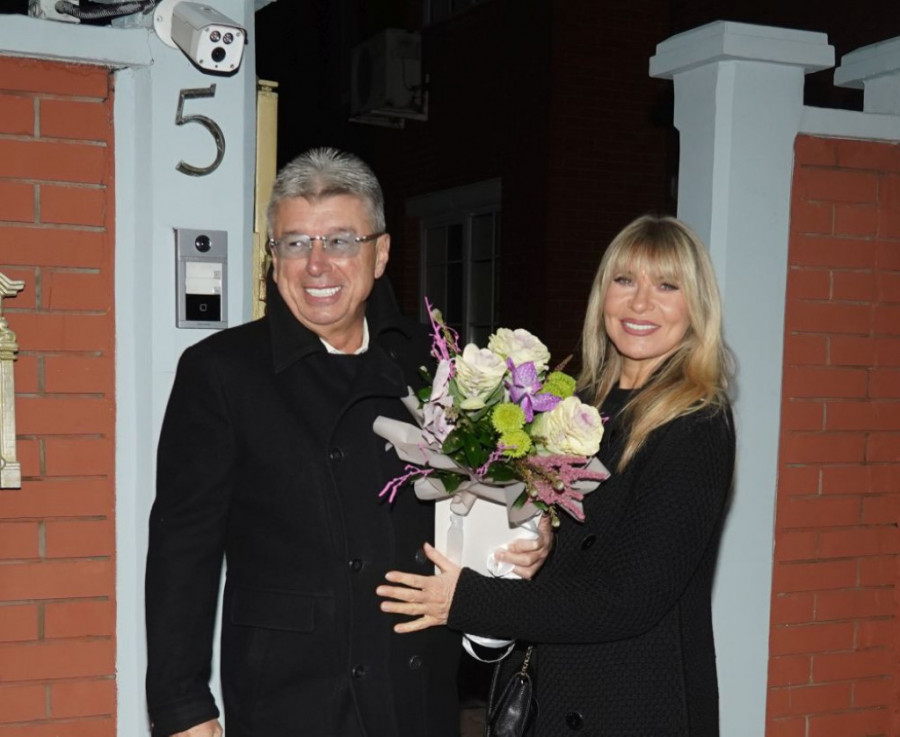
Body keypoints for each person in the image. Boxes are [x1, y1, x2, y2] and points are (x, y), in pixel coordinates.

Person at [144, 147, 551, 737]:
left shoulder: (433, 362)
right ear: (273, 259)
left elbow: (477, 500)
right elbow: (182, 549)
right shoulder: (222, 371)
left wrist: (519, 540)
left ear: (379, 254)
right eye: (295, 243)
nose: (316, 265)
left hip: (414, 680)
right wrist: (183, 706)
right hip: (290, 691)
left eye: (339, 241)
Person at [377, 214, 736, 736]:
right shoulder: (579, 405)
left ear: (696, 306)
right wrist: (542, 535)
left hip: (632, 705)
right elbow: (583, 536)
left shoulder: (695, 424)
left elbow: (630, 598)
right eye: (625, 280)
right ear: (603, 294)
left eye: (666, 286)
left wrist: (467, 600)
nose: (640, 303)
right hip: (549, 691)